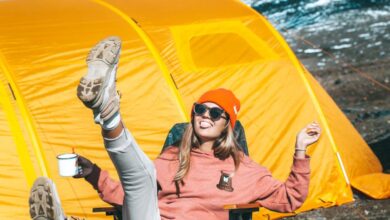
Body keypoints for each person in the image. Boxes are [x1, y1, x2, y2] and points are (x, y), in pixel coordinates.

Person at [29, 36, 321, 220]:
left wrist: (299, 150)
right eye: (200, 109)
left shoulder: (243, 169)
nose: (205, 116)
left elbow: (289, 199)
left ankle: (108, 114)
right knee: (142, 179)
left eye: (215, 113)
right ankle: (108, 111)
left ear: (227, 126)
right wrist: (91, 172)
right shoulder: (173, 156)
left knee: (141, 177)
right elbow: (129, 194)